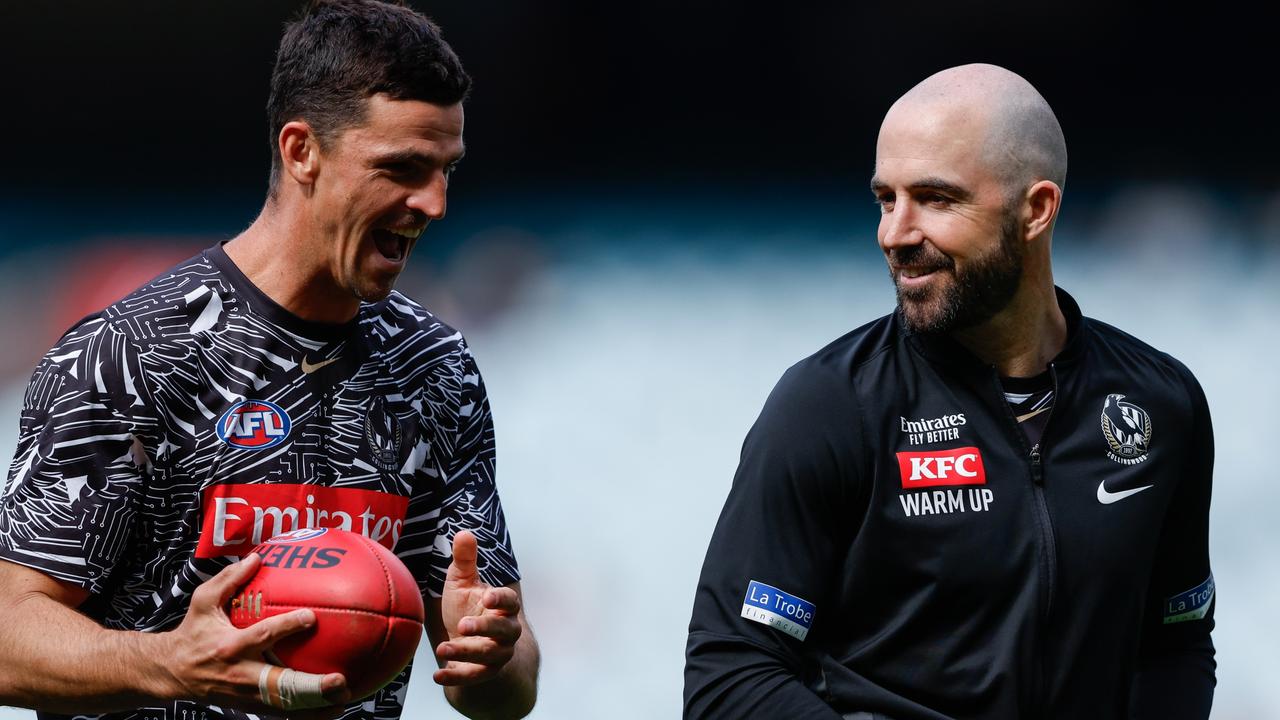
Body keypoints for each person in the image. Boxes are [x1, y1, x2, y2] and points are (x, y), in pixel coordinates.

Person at [0, 2, 539, 719]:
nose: (434, 204)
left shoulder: (434, 370)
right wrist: (170, 664)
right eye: (402, 168)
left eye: (447, 170)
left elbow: (509, 689)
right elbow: (9, 635)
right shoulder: (130, 354)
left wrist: (493, 654)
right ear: (301, 151)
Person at [684, 63, 1215, 719]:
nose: (895, 234)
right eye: (886, 198)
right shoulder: (828, 405)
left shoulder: (1161, 404)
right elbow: (730, 679)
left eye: (935, 199)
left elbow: (1177, 641)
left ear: (1036, 209)